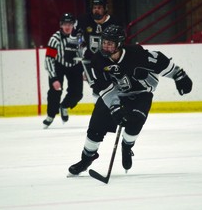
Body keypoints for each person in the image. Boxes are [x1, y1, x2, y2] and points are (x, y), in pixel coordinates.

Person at [68, 25, 193, 175]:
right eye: (104, 42)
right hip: (117, 93)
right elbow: (103, 87)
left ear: (119, 44)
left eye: (110, 44)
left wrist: (179, 75)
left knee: (136, 119)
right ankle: (87, 159)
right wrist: (115, 108)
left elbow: (159, 60)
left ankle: (126, 147)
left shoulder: (136, 54)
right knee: (96, 124)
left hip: (141, 92)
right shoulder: (98, 60)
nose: (105, 46)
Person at [72, 0, 122, 98]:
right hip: (89, 60)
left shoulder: (114, 22)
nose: (96, 10)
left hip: (108, 61)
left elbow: (121, 43)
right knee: (96, 90)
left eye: (99, 7)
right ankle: (104, 110)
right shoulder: (84, 20)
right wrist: (77, 44)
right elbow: (74, 37)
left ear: (105, 9)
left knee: (112, 87)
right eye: (94, 7)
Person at [43, 13, 83, 129]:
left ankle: (64, 106)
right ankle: (50, 115)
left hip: (75, 66)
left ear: (73, 25)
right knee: (55, 91)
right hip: (59, 66)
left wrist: (86, 71)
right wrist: (54, 78)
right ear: (61, 25)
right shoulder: (55, 38)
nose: (67, 26)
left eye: (70, 24)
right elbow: (49, 59)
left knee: (77, 94)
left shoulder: (79, 37)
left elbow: (84, 53)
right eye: (65, 24)